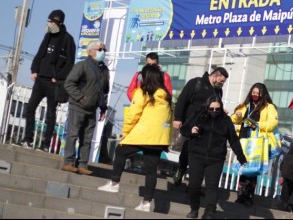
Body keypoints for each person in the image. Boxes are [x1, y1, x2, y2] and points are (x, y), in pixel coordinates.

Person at [97, 64, 172, 212]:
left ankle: (114, 183)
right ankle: (146, 203)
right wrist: (166, 141)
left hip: (142, 135)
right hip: (158, 139)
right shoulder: (166, 96)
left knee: (120, 151)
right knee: (151, 171)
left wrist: (125, 132)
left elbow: (133, 114)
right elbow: (168, 120)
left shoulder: (142, 92)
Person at [180, 95, 246, 219]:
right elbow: (184, 129)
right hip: (196, 155)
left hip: (216, 159)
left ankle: (210, 212)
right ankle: (194, 209)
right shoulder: (198, 115)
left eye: (217, 109)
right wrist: (191, 131)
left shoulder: (225, 120)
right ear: (207, 107)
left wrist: (241, 157)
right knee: (193, 185)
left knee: (212, 186)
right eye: (211, 109)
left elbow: (234, 140)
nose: (214, 111)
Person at [18, 9, 76, 151]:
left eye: (52, 21)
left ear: (59, 22)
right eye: (48, 21)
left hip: (53, 82)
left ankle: (45, 144)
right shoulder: (48, 36)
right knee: (30, 108)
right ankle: (27, 139)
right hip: (40, 80)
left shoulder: (68, 40)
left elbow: (70, 63)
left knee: (51, 114)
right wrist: (34, 70)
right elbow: (40, 54)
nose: (49, 24)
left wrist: (59, 77)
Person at [172, 67, 229, 185]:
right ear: (216, 76)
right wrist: (178, 118)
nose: (222, 84)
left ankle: (197, 180)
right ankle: (181, 170)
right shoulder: (196, 83)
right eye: (222, 81)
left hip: (208, 127)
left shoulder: (218, 91)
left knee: (203, 153)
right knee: (187, 148)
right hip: (191, 123)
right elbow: (182, 100)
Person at [62, 40, 108, 175]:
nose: (103, 52)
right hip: (78, 106)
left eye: (104, 50)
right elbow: (69, 83)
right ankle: (68, 162)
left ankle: (82, 164)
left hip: (93, 108)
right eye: (100, 49)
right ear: (91, 51)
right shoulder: (82, 65)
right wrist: (80, 98)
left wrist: (103, 108)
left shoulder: (104, 70)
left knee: (87, 138)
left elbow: (105, 91)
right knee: (73, 134)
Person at [230, 82, 279, 205]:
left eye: (258, 93)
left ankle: (248, 196)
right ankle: (241, 195)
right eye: (253, 92)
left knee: (253, 170)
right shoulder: (244, 105)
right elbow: (233, 119)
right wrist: (237, 116)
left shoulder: (269, 107)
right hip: (244, 141)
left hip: (258, 143)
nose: (255, 95)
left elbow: (273, 123)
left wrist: (258, 125)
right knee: (243, 168)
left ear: (263, 94)